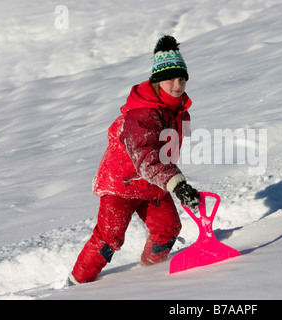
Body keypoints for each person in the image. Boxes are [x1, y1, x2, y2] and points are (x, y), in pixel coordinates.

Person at [68, 35, 199, 285]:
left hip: (152, 184)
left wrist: (174, 182)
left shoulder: (180, 112)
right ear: (157, 80)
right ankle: (76, 286)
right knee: (109, 239)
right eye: (170, 78)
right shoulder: (142, 114)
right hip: (121, 184)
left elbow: (166, 153)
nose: (177, 84)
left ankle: (149, 274)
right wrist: (178, 184)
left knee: (168, 229)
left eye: (181, 78)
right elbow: (147, 157)